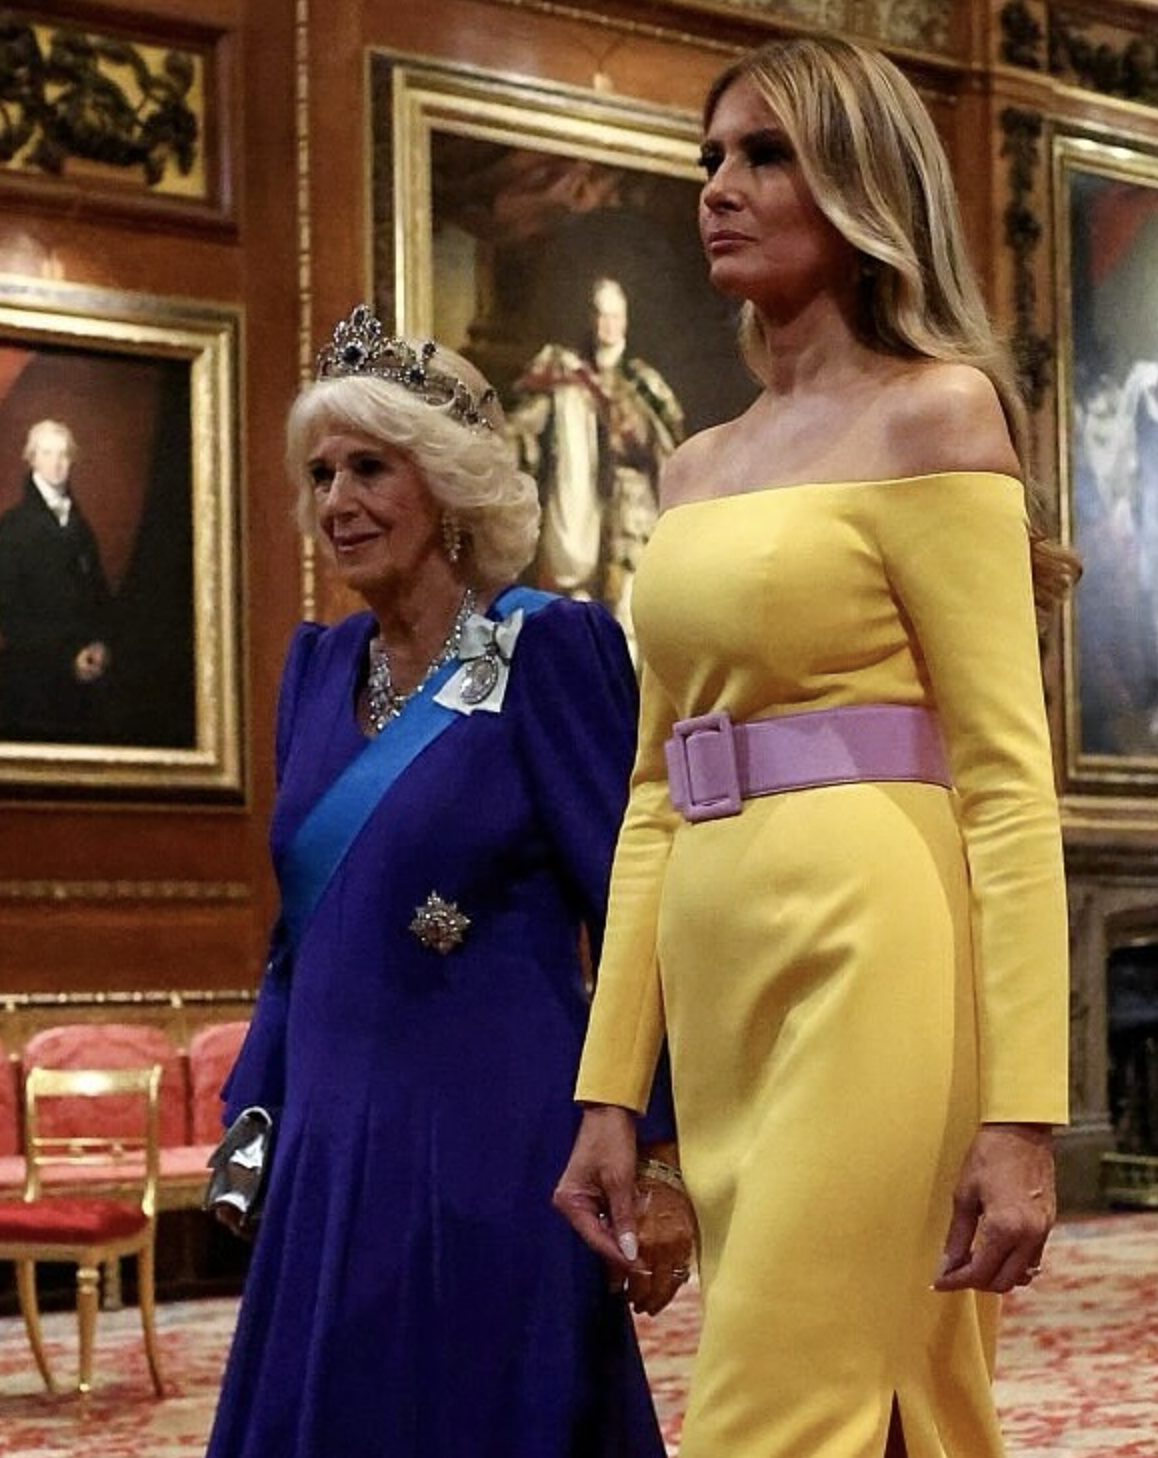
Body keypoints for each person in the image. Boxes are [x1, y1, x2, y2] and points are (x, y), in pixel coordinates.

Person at [552, 35, 1079, 1458]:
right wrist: (612, 1091)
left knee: (777, 1409)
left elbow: (1005, 780)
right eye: (711, 158)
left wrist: (1024, 1115)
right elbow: (651, 798)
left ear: (861, 183)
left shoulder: (936, 412)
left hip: (880, 956)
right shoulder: (694, 467)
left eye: (765, 154)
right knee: (878, 1400)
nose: (718, 186)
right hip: (723, 977)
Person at [204, 304, 694, 1458]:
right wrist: (255, 1106)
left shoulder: (547, 647)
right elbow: (297, 935)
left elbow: (635, 909)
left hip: (497, 1139)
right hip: (331, 1140)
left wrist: (654, 1144)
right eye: (321, 474)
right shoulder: (315, 668)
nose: (338, 500)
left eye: (370, 467)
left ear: (450, 483)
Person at [507, 277, 685, 657]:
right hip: (579, 512)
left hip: (630, 516)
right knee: (576, 619)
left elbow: (666, 443)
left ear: (626, 320)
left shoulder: (641, 382)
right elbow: (523, 431)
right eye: (602, 315)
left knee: (627, 617)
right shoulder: (566, 376)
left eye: (615, 316)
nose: (608, 325)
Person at [0, 418, 113, 742]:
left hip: (86, 677)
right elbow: (10, 614)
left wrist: (100, 646)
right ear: (32, 459)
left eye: (64, 454)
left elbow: (99, 597)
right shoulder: (13, 527)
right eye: (47, 453)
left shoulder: (81, 526)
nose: (57, 462)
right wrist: (66, 659)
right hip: (33, 680)